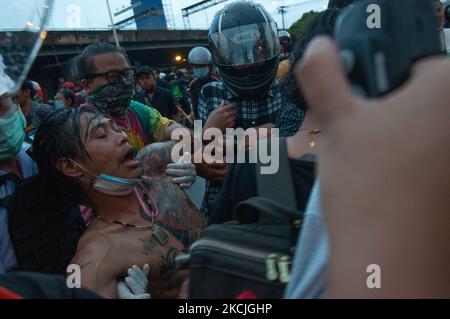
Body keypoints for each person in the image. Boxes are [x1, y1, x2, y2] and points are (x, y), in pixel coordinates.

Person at [32, 107, 206, 298]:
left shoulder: (153, 162)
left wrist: (190, 159)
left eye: (115, 127)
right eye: (101, 135)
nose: (122, 136)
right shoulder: (94, 261)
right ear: (70, 166)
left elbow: (198, 142)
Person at [197, 0, 303, 216]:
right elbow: (202, 155)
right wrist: (205, 139)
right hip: (223, 208)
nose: (249, 61)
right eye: (236, 54)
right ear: (221, 54)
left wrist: (232, 142)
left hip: (279, 207)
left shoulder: (289, 91)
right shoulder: (210, 93)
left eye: (259, 50)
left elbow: (299, 147)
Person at [76, 42, 196, 188]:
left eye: (127, 74)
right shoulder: (79, 127)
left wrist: (181, 156)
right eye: (113, 76)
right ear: (87, 85)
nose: (125, 81)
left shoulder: (136, 110)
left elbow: (172, 129)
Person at [187, 46, 219, 119]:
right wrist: (198, 129)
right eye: (196, 66)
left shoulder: (217, 82)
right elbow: (194, 107)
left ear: (209, 66)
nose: (199, 69)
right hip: (200, 120)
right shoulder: (193, 84)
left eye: (202, 66)